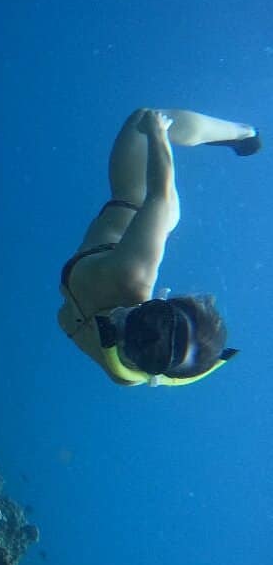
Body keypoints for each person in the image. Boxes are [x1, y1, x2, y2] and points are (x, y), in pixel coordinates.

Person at [58, 108, 261, 386]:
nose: (125, 328)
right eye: (151, 318)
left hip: (125, 228)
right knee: (144, 120)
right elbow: (160, 197)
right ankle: (243, 133)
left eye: (144, 351)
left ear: (154, 370)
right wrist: (157, 133)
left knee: (143, 119)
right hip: (138, 203)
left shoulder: (125, 375)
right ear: (162, 301)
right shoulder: (132, 273)